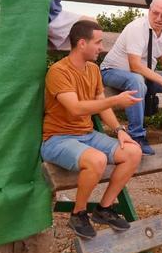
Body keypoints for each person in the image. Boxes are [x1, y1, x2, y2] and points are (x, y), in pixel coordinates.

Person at [41, 20, 144, 239]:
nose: (101, 47)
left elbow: (100, 103)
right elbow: (77, 108)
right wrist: (115, 100)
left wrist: (119, 130)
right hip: (57, 139)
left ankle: (104, 209)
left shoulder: (94, 70)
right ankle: (78, 214)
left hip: (86, 135)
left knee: (133, 151)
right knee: (97, 160)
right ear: (81, 43)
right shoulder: (58, 71)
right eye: (97, 43)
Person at [100, 0, 162, 156]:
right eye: (155, 13)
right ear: (149, 9)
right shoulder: (137, 28)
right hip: (112, 72)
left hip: (142, 76)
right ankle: (136, 135)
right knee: (137, 80)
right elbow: (135, 66)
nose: (158, 18)